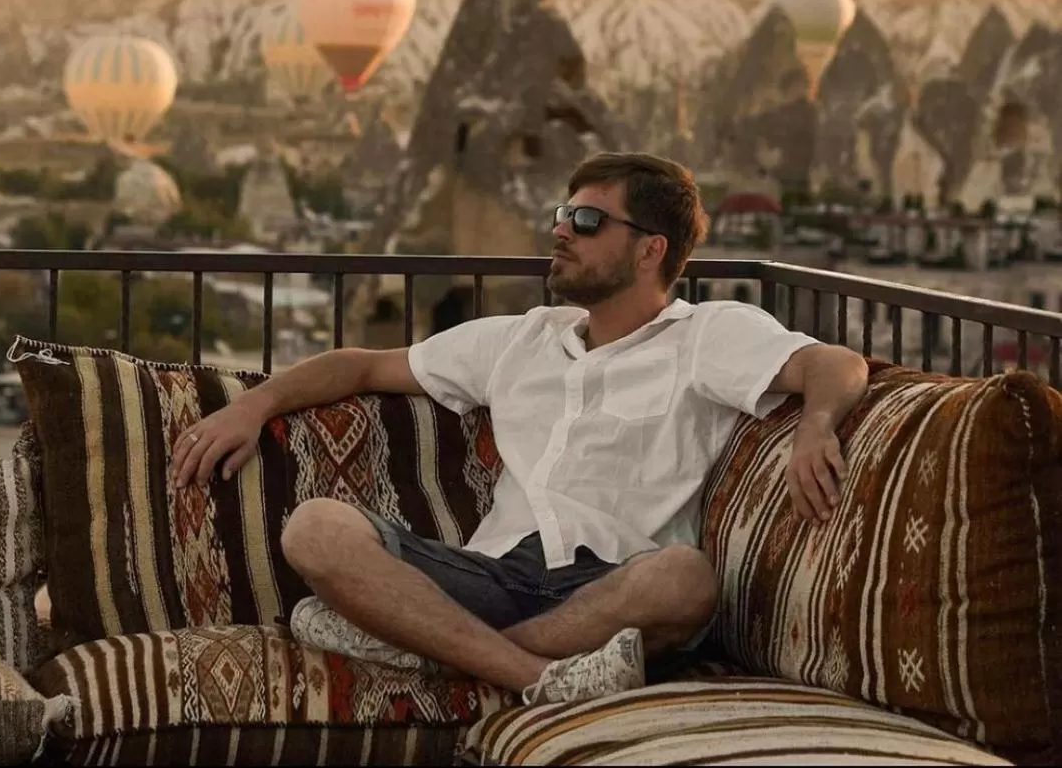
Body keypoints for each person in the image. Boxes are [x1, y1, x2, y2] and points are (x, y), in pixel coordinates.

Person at [170, 152, 868, 708]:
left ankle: (432, 650)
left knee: (685, 578)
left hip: (613, 585)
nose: (560, 229)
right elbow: (360, 365)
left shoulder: (707, 334)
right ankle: (534, 676)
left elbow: (835, 364)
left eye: (587, 220)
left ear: (650, 249)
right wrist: (249, 406)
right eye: (562, 213)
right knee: (314, 528)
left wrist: (815, 424)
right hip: (491, 574)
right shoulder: (523, 338)